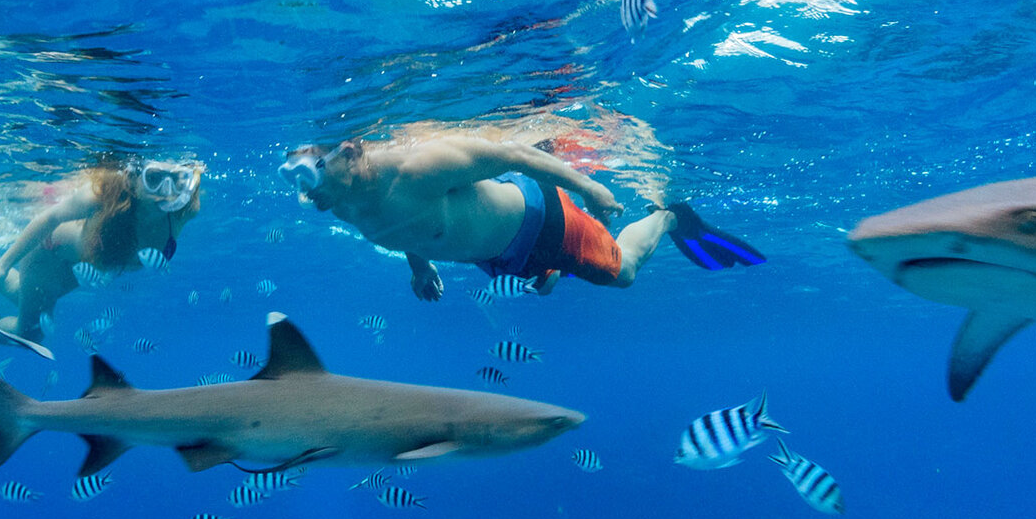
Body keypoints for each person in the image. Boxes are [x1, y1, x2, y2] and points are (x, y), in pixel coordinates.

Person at [278, 135, 760, 301]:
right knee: (545, 286)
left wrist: (589, 187)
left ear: (348, 154)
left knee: (625, 274)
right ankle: (552, 269)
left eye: (313, 179)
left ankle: (669, 217)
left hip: (543, 221)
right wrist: (420, 265)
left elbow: (513, 153)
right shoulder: (339, 201)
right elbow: (399, 226)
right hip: (497, 256)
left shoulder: (416, 168)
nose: (310, 198)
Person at [0, 158, 203, 356]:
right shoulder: (106, 194)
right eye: (155, 178)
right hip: (50, 254)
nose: (167, 190)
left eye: (177, 180)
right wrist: (1, 268)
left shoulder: (185, 211)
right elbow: (50, 218)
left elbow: (196, 175)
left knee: (25, 295)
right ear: (132, 180)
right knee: (30, 334)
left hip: (83, 265)